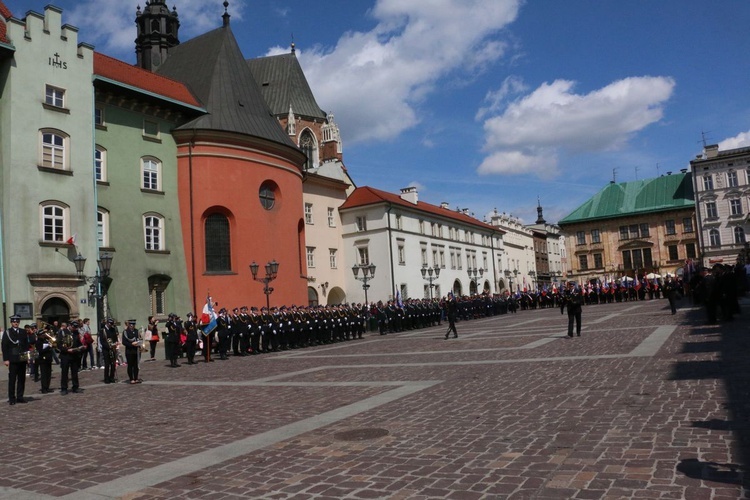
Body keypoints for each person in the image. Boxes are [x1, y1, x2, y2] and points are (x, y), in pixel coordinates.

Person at [2, 315, 30, 404]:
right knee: (12, 379)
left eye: (17, 322)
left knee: (22, 379)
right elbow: (4, 346)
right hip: (13, 358)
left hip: (22, 358)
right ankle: (12, 398)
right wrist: (6, 359)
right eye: (14, 322)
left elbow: (26, 345)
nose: (16, 323)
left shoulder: (23, 332)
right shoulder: (7, 332)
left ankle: (20, 396)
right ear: (11, 323)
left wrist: (28, 357)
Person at [57, 320, 85, 395]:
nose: (75, 328)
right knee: (64, 372)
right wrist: (67, 350)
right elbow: (59, 344)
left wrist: (81, 347)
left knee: (75, 372)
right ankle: (64, 388)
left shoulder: (76, 332)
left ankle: (75, 387)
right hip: (65, 355)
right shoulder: (63, 332)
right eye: (73, 327)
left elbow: (78, 342)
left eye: (76, 327)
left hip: (74, 355)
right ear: (69, 325)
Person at [35, 324, 55, 394]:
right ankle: (44, 388)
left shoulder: (46, 340)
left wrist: (51, 345)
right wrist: (48, 347)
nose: (44, 335)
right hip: (42, 359)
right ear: (39, 335)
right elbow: (40, 350)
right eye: (43, 334)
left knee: (48, 374)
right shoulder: (38, 342)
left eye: (44, 334)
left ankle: (47, 387)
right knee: (44, 374)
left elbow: (51, 345)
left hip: (48, 359)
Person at [121, 319, 142, 384]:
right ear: (128, 325)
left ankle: (136, 378)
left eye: (133, 324)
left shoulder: (136, 331)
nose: (131, 326)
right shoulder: (125, 332)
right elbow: (124, 342)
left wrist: (140, 344)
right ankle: (131, 378)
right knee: (130, 365)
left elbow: (139, 339)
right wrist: (131, 344)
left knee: (136, 365)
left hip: (136, 351)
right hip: (129, 351)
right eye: (130, 324)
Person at [100, 318, 119, 384]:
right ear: (107, 323)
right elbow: (102, 342)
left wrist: (116, 343)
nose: (110, 325)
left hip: (112, 348)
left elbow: (115, 338)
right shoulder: (103, 330)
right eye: (110, 323)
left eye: (111, 324)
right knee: (107, 364)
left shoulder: (113, 329)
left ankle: (112, 377)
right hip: (106, 349)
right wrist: (109, 346)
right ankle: (106, 378)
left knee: (113, 364)